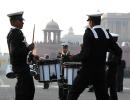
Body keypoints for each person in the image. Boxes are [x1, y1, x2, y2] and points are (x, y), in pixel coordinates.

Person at [67, 13, 122, 100]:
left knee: (73, 93)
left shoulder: (89, 33)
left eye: (89, 21)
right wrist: (106, 53)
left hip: (87, 71)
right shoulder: (106, 34)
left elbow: (85, 54)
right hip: (100, 72)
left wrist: (73, 57)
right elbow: (118, 51)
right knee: (102, 97)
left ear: (91, 22)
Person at [7, 11, 35, 100]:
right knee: (24, 91)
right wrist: (28, 48)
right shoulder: (16, 33)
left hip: (20, 66)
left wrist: (31, 55)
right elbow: (14, 52)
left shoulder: (13, 32)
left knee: (25, 90)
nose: (23, 22)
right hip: (21, 67)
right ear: (14, 22)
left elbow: (20, 52)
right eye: (20, 20)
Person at [106, 32, 122, 100]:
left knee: (111, 89)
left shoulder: (117, 50)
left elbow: (114, 62)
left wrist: (105, 63)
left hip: (111, 71)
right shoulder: (109, 48)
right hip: (108, 71)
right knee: (110, 89)